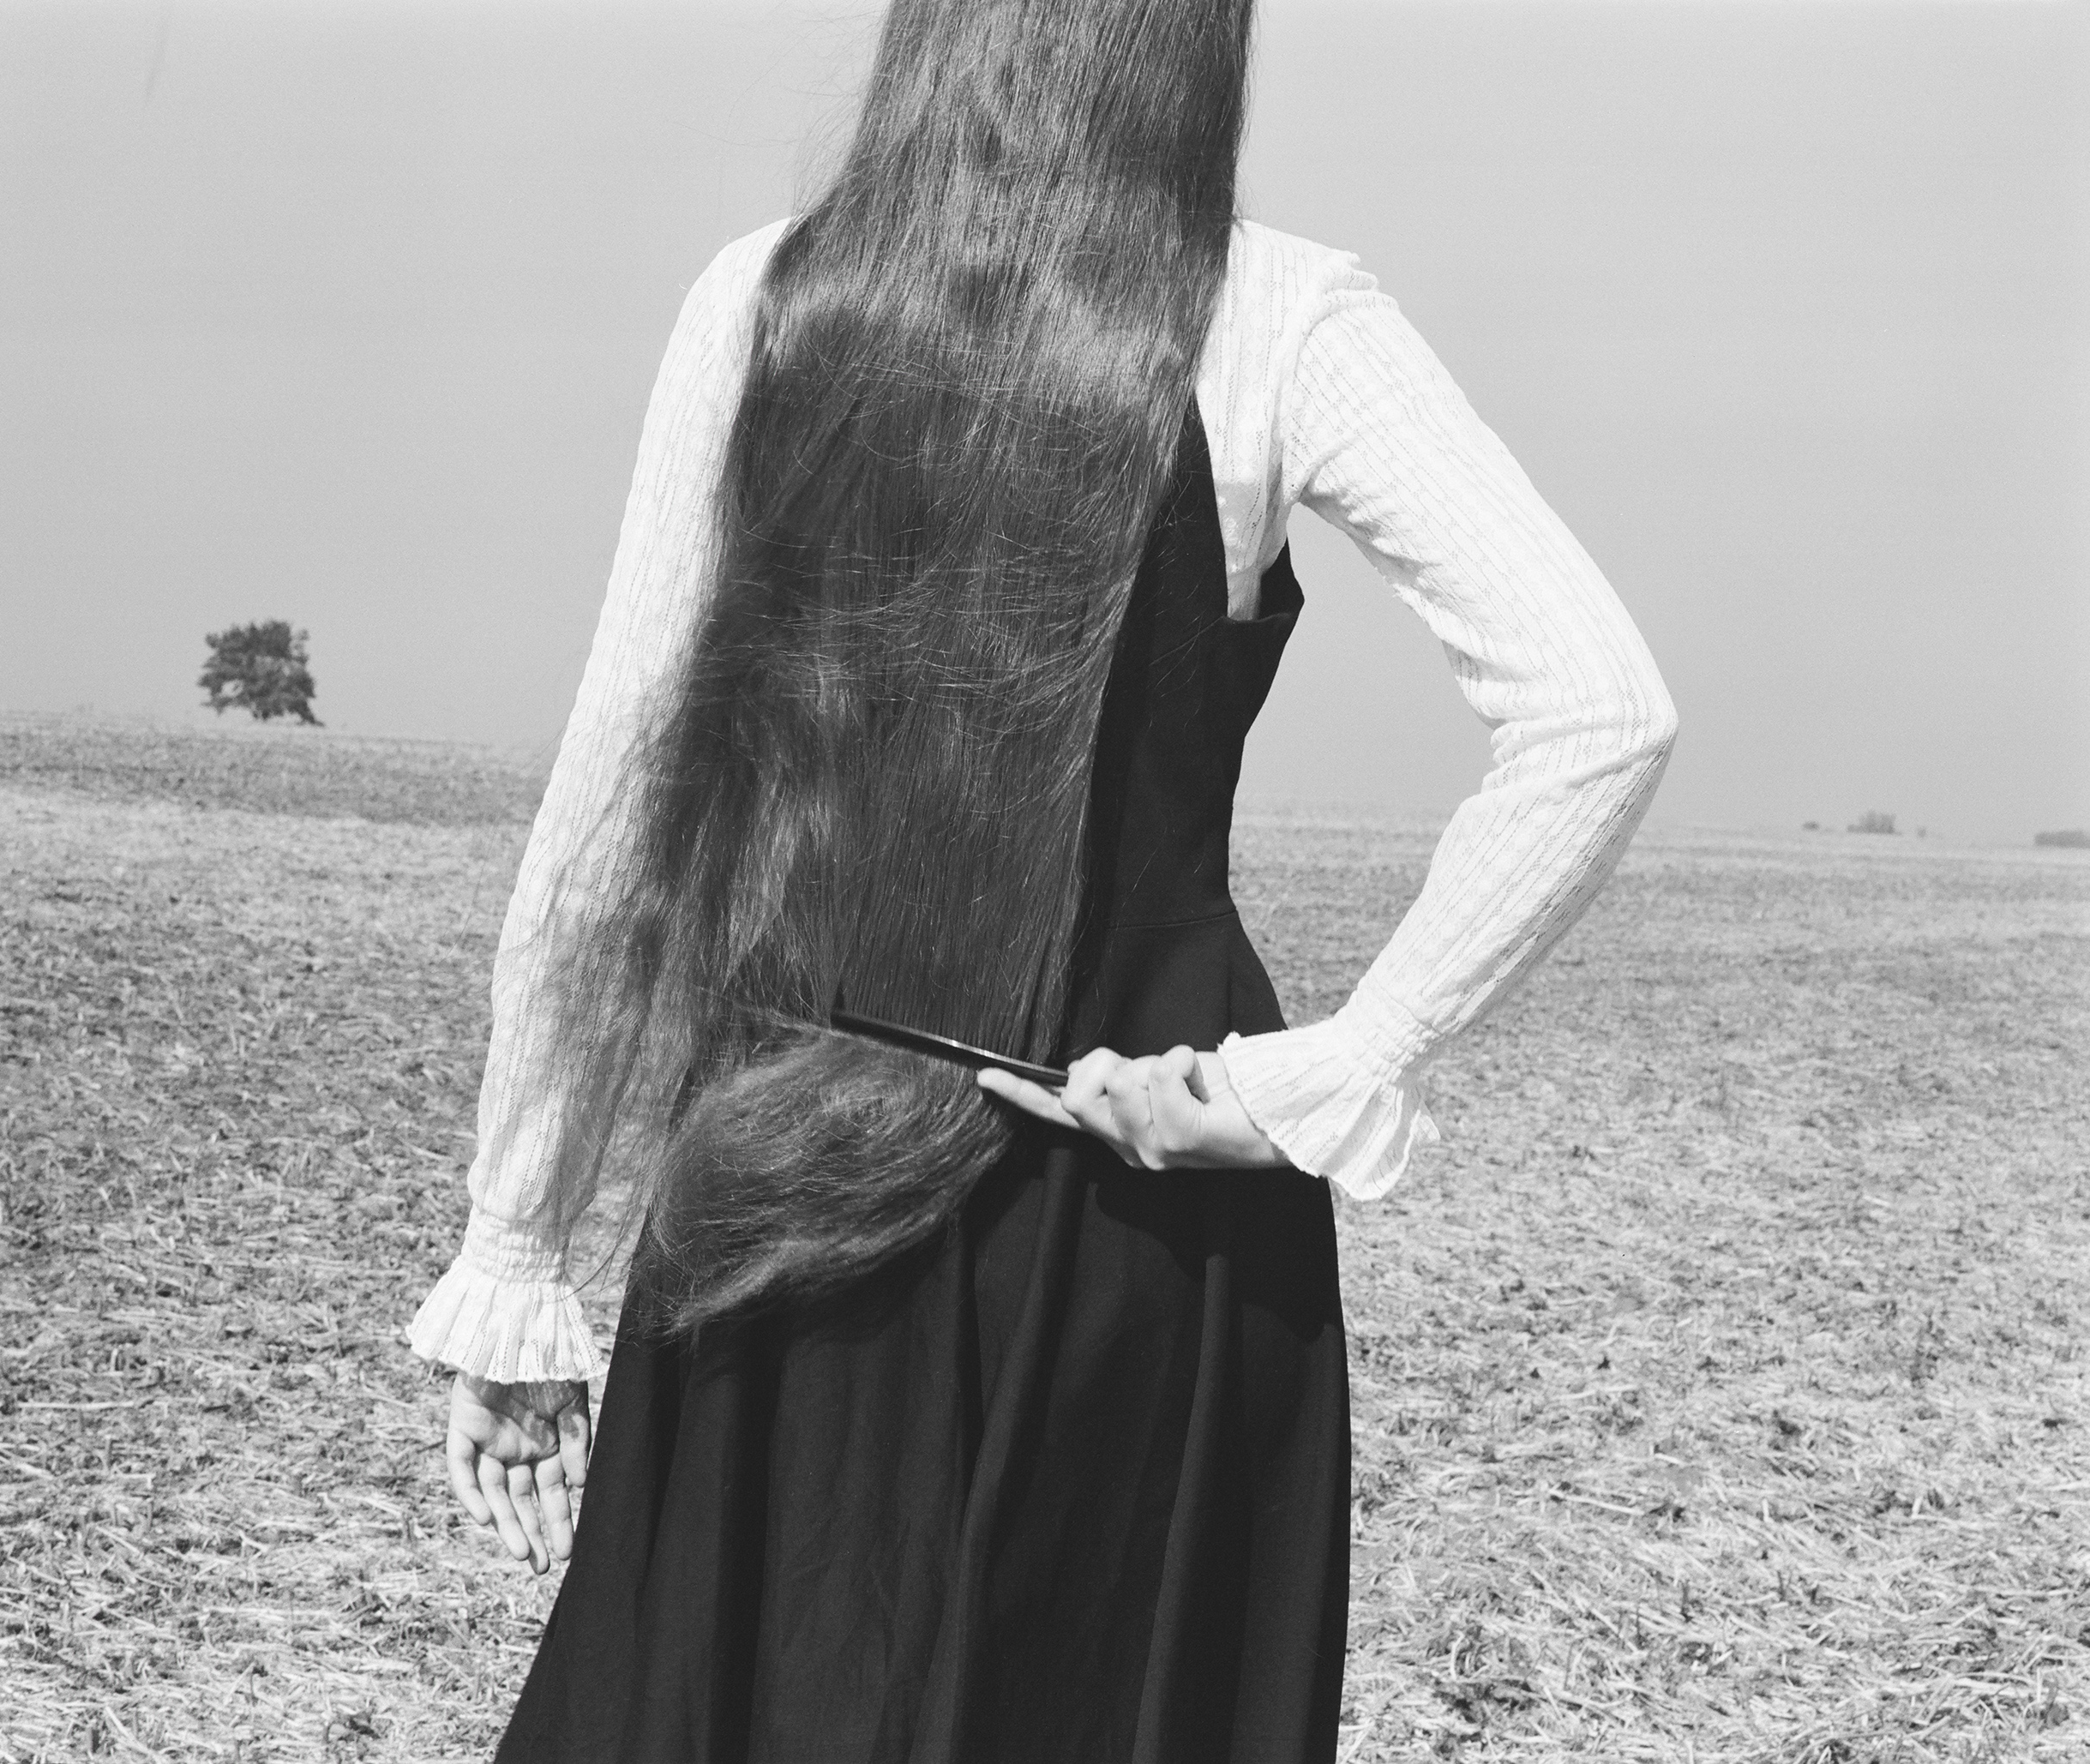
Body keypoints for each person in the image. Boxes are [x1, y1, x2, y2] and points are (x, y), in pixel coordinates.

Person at [405, 0, 1677, 1757]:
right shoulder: (1285, 318)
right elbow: (1599, 707)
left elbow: (610, 819)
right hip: (1134, 1203)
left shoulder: (766, 299)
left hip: (782, 1187)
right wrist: (1322, 1073)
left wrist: (517, 1252)